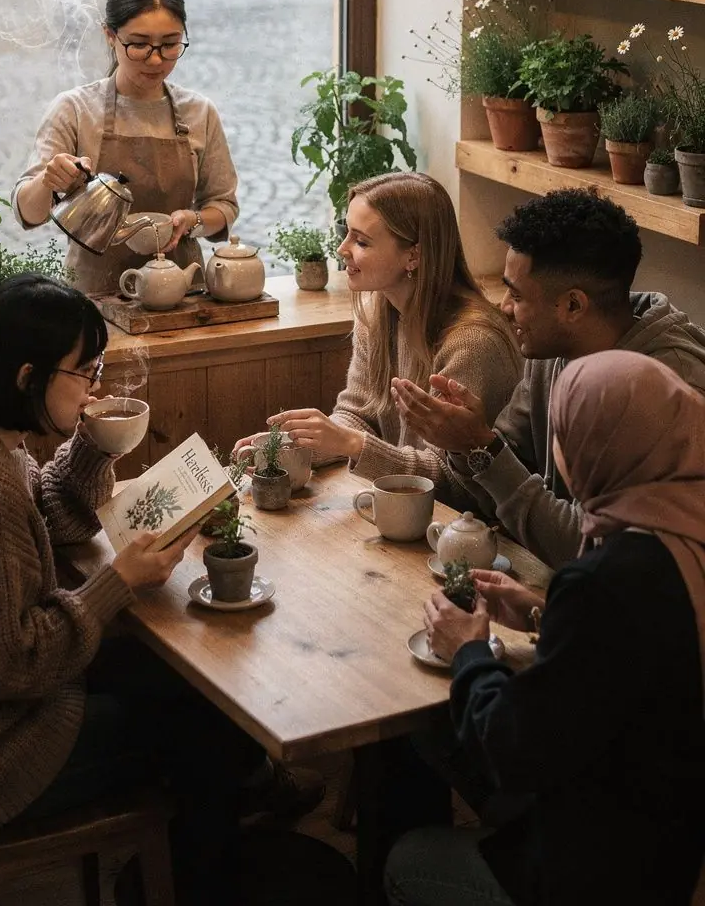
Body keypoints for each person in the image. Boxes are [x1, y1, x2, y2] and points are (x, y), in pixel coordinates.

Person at [0, 275, 286, 905]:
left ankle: (241, 802)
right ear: (27, 378)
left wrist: (92, 445)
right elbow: (14, 667)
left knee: (187, 685)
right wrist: (116, 583)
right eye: (86, 372)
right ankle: (205, 870)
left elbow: (51, 518)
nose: (96, 386)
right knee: (208, 730)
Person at [386, 352, 705, 906]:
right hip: (676, 821)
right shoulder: (682, 533)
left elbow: (514, 748)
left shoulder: (605, 577)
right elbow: (642, 641)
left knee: (409, 859)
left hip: (622, 868)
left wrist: (467, 650)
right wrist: (542, 610)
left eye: (564, 432)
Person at [393, 188, 705, 567]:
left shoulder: (667, 390)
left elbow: (590, 552)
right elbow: (497, 478)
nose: (504, 309)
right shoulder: (555, 347)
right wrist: (463, 444)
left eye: (517, 296)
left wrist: (481, 447)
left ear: (573, 305)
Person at [237, 173, 521, 497]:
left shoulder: (472, 344)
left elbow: (450, 481)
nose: (342, 249)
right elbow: (358, 414)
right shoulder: (377, 312)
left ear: (413, 256)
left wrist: (352, 444)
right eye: (347, 234)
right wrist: (295, 449)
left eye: (361, 241)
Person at [14, 0, 239, 297]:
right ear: (110, 36)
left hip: (182, 298)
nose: (156, 59)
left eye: (170, 44)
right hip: (92, 302)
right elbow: (26, 213)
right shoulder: (75, 110)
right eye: (139, 45)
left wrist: (194, 220)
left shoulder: (199, 112)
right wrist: (48, 181)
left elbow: (224, 205)